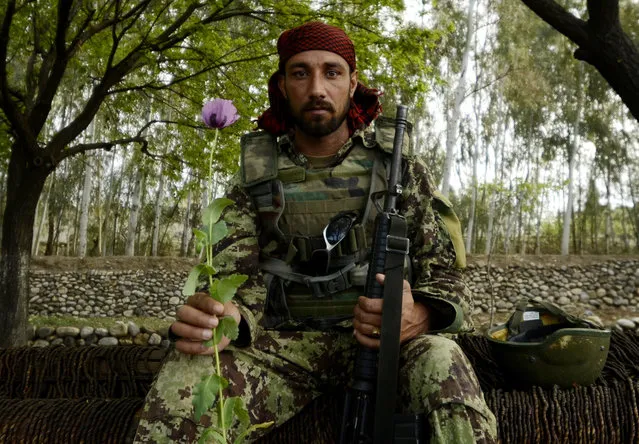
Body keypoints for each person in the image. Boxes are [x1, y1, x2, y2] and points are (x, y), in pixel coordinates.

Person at [135, 21, 497, 443]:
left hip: (388, 353)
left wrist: (422, 315)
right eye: (300, 73)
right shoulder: (255, 178)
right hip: (282, 350)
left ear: (352, 83)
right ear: (283, 85)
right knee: (191, 374)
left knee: (442, 359)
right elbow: (234, 282)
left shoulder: (400, 170)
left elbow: (449, 275)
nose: (317, 88)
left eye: (332, 72)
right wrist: (223, 315)